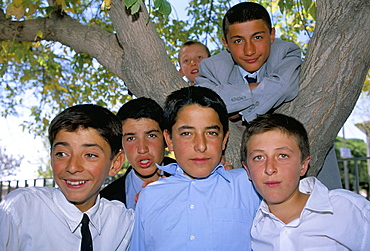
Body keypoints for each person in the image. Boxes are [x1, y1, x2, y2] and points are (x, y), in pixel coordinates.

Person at [130, 86, 261, 250]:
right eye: (187, 133)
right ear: (169, 139)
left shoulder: (250, 184)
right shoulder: (150, 197)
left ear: (224, 140)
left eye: (211, 133)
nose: (201, 146)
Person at [0, 104, 134, 250]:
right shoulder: (21, 209)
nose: (72, 167)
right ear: (51, 157)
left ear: (115, 163)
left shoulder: (123, 222)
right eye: (62, 154)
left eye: (90, 155)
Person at [240, 113, 370, 250]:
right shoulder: (252, 224)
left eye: (282, 156)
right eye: (259, 157)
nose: (270, 168)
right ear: (248, 170)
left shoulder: (345, 207)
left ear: (303, 166)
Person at [195, 2, 301, 123]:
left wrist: (238, 110)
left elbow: (284, 87)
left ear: (272, 35)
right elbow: (202, 103)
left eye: (257, 38)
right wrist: (251, 89)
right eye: (238, 41)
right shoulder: (211, 67)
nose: (249, 51)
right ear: (226, 44)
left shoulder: (285, 52)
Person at [100, 97, 175, 208]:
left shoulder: (193, 181)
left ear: (166, 139)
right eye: (131, 138)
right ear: (121, 145)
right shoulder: (104, 201)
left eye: (151, 136)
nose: (142, 149)